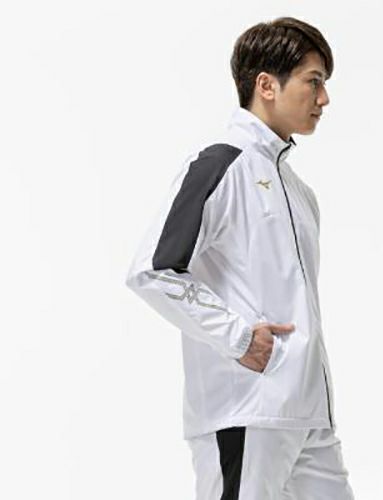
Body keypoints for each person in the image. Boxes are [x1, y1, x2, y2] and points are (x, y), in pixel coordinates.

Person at [125, 16, 356, 500]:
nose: (324, 99)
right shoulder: (221, 164)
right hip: (247, 410)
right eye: (313, 82)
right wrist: (239, 338)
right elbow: (154, 270)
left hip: (309, 416)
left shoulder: (299, 191)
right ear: (266, 85)